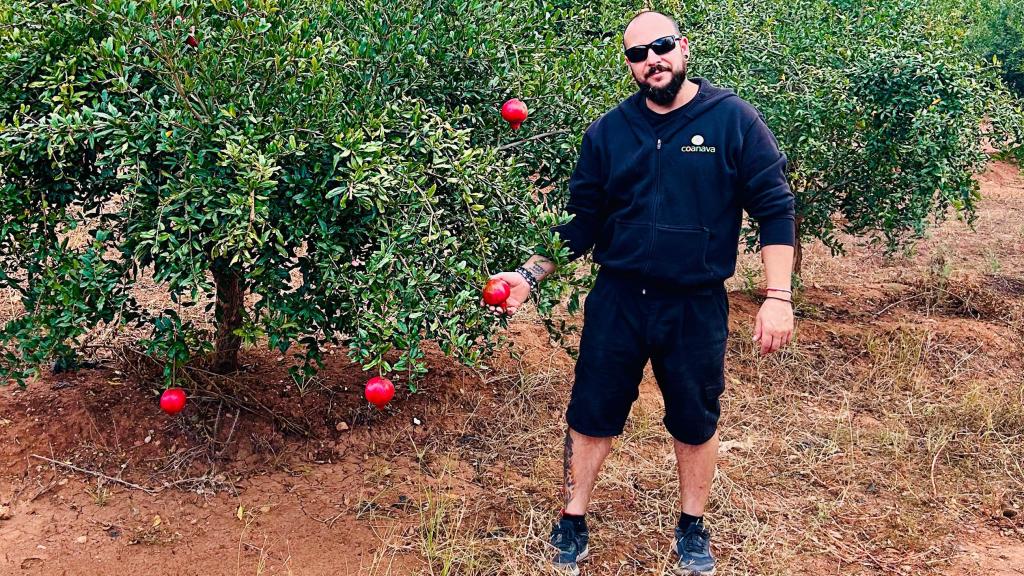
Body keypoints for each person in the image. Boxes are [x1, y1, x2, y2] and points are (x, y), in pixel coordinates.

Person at [483, 10, 795, 576]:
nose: (652, 59)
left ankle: (692, 526)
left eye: (662, 46)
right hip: (620, 298)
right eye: (638, 53)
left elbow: (775, 210)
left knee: (695, 418)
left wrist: (778, 296)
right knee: (592, 411)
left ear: (684, 48)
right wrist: (526, 278)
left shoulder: (733, 120)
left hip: (695, 303)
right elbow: (579, 223)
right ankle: (573, 517)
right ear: (630, 65)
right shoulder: (609, 132)